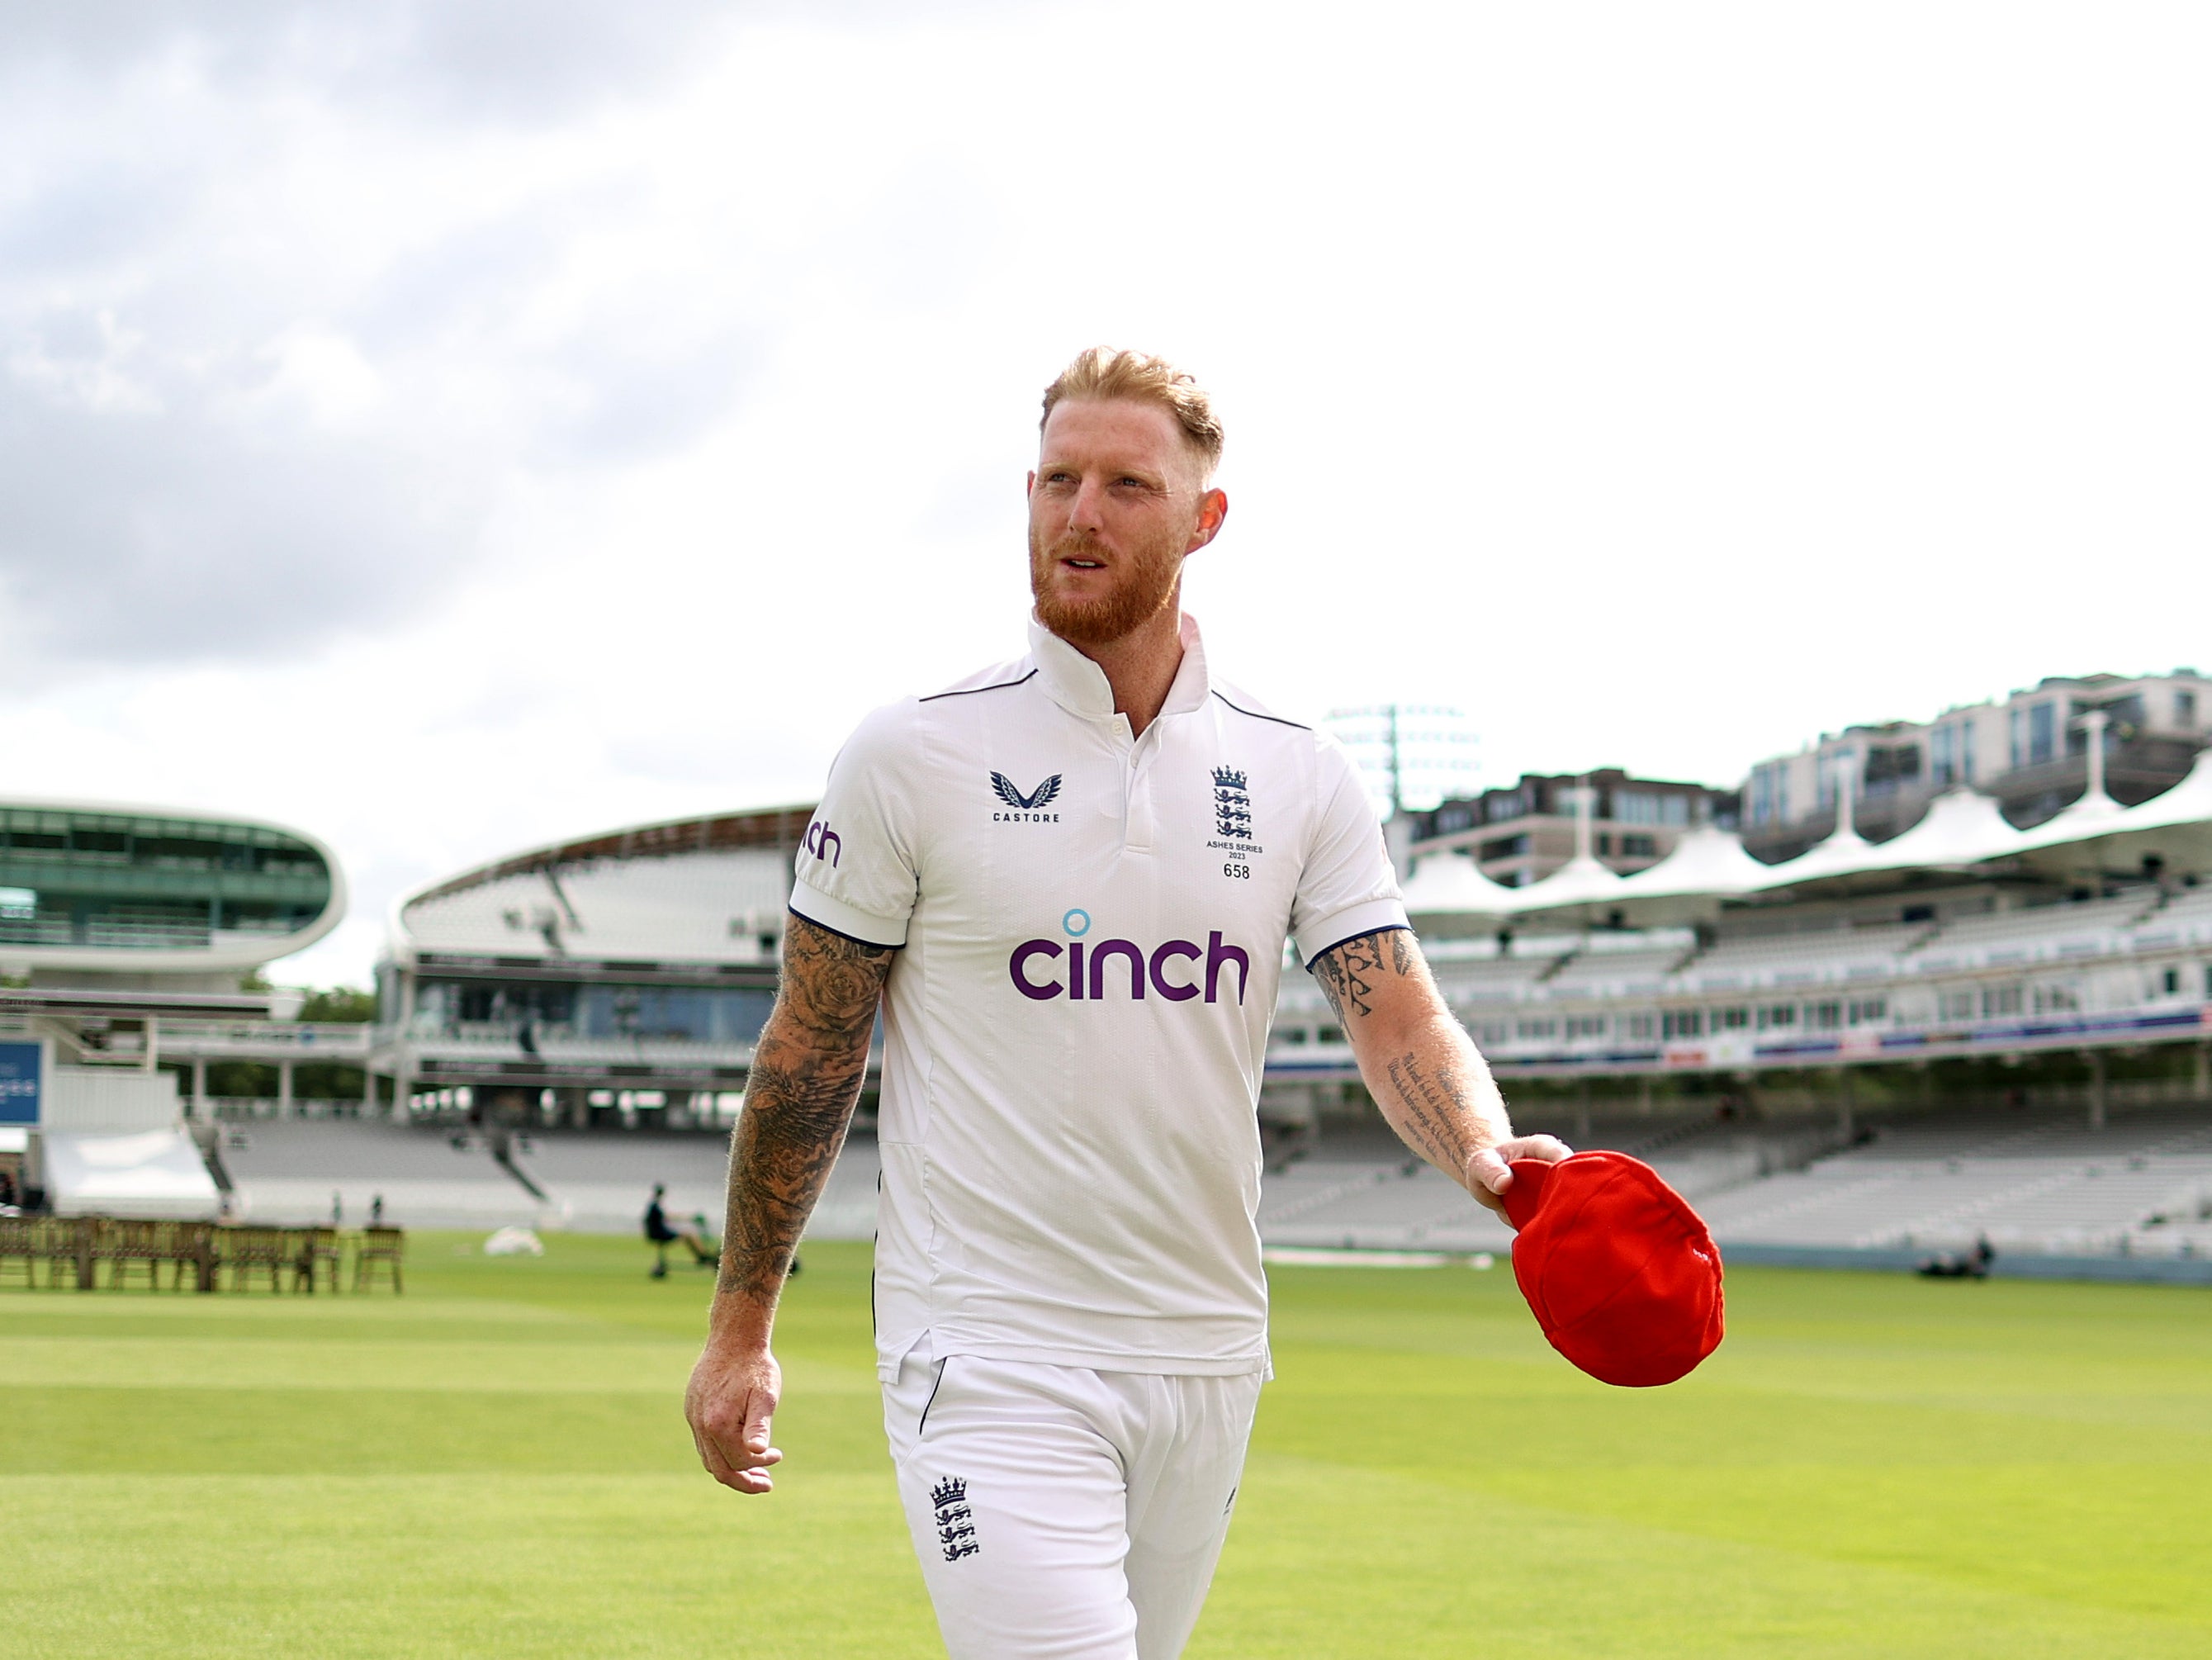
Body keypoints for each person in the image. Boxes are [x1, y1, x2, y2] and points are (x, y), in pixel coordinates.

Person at [685, 348, 1570, 1659]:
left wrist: (1486, 1154)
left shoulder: (1298, 770)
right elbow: (811, 1047)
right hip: (985, 1344)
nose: (1078, 512)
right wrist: (739, 1326)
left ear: (1203, 520)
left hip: (1206, 1347)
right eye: (1055, 480)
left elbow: (1395, 1015)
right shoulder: (909, 752)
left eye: (1123, 485)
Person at [644, 1183, 718, 1277]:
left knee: (687, 1234)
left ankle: (702, 1255)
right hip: (659, 1233)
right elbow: (668, 1217)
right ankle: (702, 1255)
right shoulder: (655, 1206)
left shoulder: (654, 1204)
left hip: (658, 1232)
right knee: (688, 1234)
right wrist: (688, 1217)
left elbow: (664, 1218)